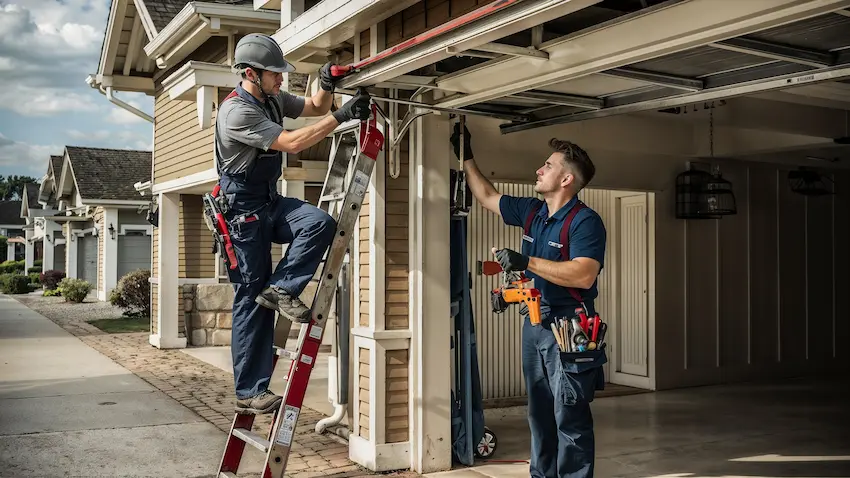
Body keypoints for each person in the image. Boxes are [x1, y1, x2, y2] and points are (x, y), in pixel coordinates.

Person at [214, 33, 372, 415]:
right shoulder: (237, 112)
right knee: (251, 300)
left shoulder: (271, 98)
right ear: (250, 74)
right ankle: (250, 390)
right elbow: (294, 143)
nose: (281, 79)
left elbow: (316, 105)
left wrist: (327, 83)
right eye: (274, 74)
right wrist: (343, 115)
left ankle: (282, 289)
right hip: (242, 215)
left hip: (268, 202)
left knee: (318, 223)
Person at [450, 123, 606, 478]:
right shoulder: (533, 212)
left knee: (570, 413)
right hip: (534, 324)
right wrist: (466, 155)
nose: (539, 170)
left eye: (547, 165)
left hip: (569, 327)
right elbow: (487, 196)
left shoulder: (585, 222)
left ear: (566, 179)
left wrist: (526, 261)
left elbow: (583, 274)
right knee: (538, 412)